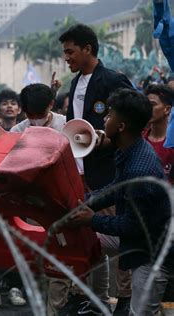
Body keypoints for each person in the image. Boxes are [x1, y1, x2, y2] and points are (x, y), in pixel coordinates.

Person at [68, 88, 174, 315]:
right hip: (142, 238)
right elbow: (115, 190)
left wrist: (91, 219)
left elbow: (131, 226)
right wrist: (86, 203)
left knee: (141, 312)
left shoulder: (139, 169)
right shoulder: (130, 149)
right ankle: (97, 303)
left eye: (110, 115)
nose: (105, 120)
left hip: (153, 251)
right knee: (89, 239)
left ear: (121, 126)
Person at [57, 23, 134, 315]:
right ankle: (95, 297)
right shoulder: (76, 83)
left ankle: (126, 299)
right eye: (65, 53)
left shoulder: (113, 79)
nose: (66, 58)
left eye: (70, 51)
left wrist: (108, 140)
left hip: (110, 174)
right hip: (85, 173)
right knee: (94, 240)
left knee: (121, 238)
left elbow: (135, 114)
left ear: (88, 48)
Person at [143, 84, 174, 182]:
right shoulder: (138, 139)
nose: (147, 109)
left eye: (152, 105)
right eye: (146, 105)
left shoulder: (172, 145)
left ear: (167, 109)